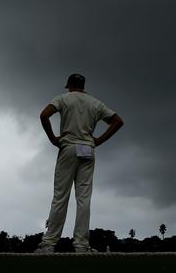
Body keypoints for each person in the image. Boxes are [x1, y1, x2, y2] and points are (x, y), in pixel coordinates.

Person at [35, 74, 124, 253]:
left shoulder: (63, 99)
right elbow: (117, 121)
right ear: (83, 86)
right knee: (83, 198)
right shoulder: (95, 103)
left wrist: (53, 139)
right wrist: (98, 141)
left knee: (61, 196)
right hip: (87, 149)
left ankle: (49, 243)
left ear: (69, 85)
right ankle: (82, 245)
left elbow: (44, 115)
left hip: (69, 146)